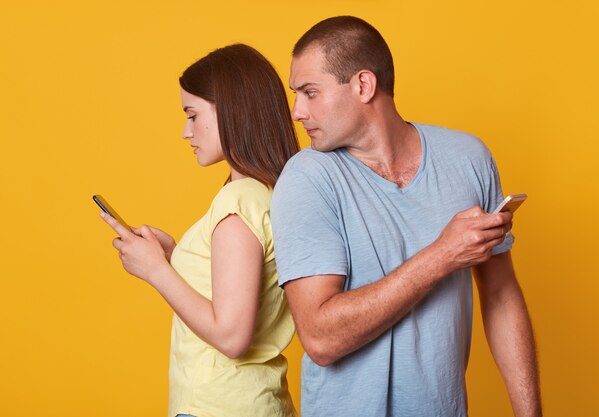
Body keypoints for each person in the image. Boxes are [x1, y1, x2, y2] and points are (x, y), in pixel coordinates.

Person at [270, 16, 542, 417]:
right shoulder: (305, 179)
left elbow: (501, 296)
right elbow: (321, 338)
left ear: (363, 85)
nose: (297, 111)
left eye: (310, 92)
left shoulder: (469, 158)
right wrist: (442, 255)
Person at [100, 43, 299, 417]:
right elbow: (238, 290)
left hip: (218, 406)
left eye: (192, 115)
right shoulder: (269, 193)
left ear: (231, 112)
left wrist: (155, 271)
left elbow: (232, 335)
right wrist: (175, 256)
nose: (185, 132)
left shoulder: (237, 202)